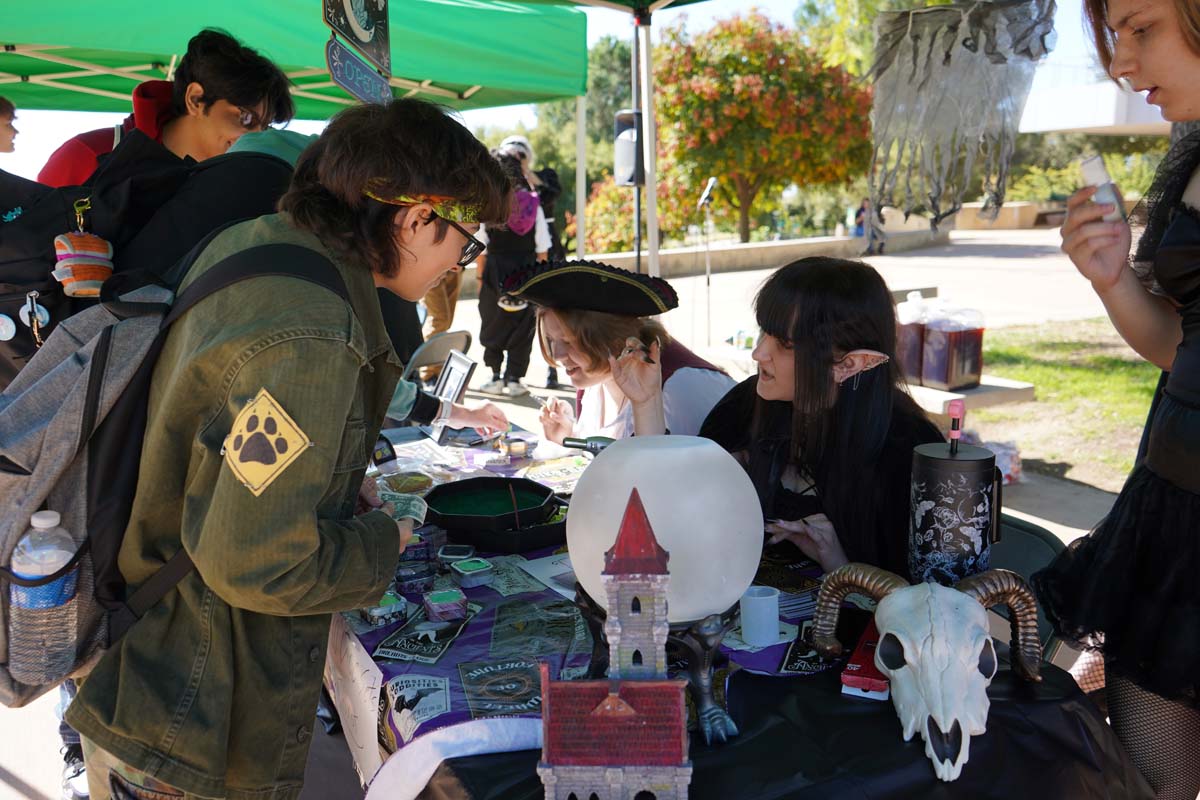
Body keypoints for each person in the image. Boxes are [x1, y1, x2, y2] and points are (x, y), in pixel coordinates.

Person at [63, 99, 511, 800]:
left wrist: (332, 488)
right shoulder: (312, 334)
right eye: (466, 239)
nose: (461, 259)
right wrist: (380, 541)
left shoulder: (261, 247)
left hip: (159, 670)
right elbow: (260, 560)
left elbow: (222, 450)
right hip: (193, 718)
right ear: (417, 218)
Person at [1031, 0, 1200, 795]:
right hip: (1169, 518)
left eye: (1143, 29)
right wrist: (1112, 279)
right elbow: (1180, 350)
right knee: (1154, 785)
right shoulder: (1193, 150)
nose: (1123, 64)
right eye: (1117, 37)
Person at [699, 257, 942, 576]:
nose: (759, 353)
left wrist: (839, 564)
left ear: (849, 364)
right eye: (764, 333)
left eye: (785, 345)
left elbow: (928, 607)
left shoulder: (910, 451)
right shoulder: (747, 403)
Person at [505, 260, 734, 443]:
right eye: (551, 340)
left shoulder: (678, 389)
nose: (557, 355)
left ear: (612, 338)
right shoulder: (596, 382)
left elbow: (671, 482)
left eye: (569, 341)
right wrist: (570, 437)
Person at [38, 29, 293, 187]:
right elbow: (24, 254)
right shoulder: (91, 154)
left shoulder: (246, 184)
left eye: (265, 126)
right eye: (245, 118)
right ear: (195, 99)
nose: (257, 137)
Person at [474, 150, 551, 397]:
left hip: (495, 271)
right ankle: (515, 379)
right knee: (523, 325)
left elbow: (481, 248)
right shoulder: (533, 204)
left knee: (492, 322)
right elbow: (542, 249)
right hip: (526, 271)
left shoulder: (489, 205)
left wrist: (480, 280)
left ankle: (495, 376)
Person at [499, 135, 567, 388]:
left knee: (554, 310)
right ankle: (507, 370)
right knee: (521, 313)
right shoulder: (507, 185)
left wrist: (527, 172)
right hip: (521, 252)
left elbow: (552, 194)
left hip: (550, 247)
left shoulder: (543, 176)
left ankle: (554, 369)